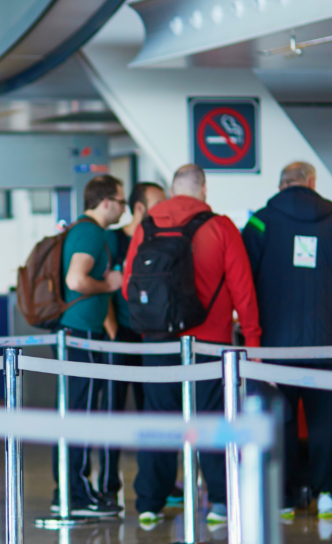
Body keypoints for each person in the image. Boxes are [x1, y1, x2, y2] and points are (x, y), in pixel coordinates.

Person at [124, 165, 263, 525]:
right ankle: (219, 502)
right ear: (203, 189)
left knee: (158, 419)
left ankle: (150, 504)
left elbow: (129, 286)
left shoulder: (147, 226)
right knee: (213, 420)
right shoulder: (221, 226)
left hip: (158, 344)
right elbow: (243, 290)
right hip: (210, 345)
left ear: (172, 190)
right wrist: (253, 342)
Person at [242, 161, 332, 519]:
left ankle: (284, 497)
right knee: (324, 417)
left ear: (281, 185)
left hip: (275, 343)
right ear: (312, 183)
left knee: (280, 419)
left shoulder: (261, 221)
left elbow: (243, 272)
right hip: (326, 342)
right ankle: (328, 494)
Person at [50, 174, 126, 518]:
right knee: (79, 414)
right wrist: (108, 283)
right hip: (81, 334)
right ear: (106, 201)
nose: (123, 208)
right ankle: (75, 494)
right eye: (121, 201)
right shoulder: (91, 232)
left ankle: (70, 490)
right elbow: (76, 280)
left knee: (75, 411)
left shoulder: (84, 230)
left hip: (78, 332)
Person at [98, 182, 166, 503]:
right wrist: (112, 330)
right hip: (119, 337)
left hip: (149, 338)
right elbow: (104, 287)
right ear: (140, 207)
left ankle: (155, 482)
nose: (164, 209)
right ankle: (109, 484)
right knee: (113, 410)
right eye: (158, 203)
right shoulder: (114, 240)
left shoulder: (157, 239)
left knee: (151, 410)